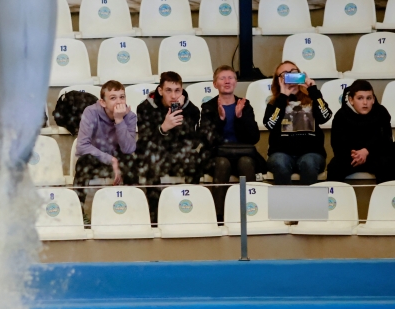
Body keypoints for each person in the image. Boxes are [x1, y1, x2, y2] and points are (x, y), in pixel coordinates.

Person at [198, 65, 265, 219]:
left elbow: (253, 138)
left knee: (246, 162)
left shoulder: (245, 105)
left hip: (242, 154)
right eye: (222, 78)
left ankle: (252, 214)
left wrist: (239, 117)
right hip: (217, 155)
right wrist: (220, 120)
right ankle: (219, 217)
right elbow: (206, 139)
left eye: (231, 78)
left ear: (236, 82)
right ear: (215, 84)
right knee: (222, 163)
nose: (227, 81)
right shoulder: (209, 107)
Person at [135, 71, 205, 217]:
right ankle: (154, 215)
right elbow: (144, 143)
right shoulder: (145, 108)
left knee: (195, 159)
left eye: (177, 90)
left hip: (178, 156)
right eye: (168, 90)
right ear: (160, 91)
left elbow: (192, 143)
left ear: (182, 91)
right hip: (155, 156)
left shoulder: (191, 110)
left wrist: (180, 112)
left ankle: (190, 207)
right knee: (151, 160)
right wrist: (163, 128)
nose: (173, 96)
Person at [263, 61, 332, 185]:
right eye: (285, 74)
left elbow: (325, 117)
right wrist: (283, 96)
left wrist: (313, 90)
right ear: (278, 81)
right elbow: (270, 124)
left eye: (293, 72)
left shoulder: (312, 98)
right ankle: (285, 199)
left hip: (312, 153)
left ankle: (306, 199)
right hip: (281, 153)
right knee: (280, 162)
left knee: (309, 163)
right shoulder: (274, 103)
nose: (290, 76)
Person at [73, 80, 137, 197]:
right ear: (103, 102)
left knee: (132, 163)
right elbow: (82, 146)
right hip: (97, 159)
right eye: (113, 98)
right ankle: (77, 207)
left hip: (120, 159)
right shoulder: (91, 112)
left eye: (122, 97)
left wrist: (119, 120)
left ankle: (131, 204)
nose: (119, 102)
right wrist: (111, 160)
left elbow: (129, 149)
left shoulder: (130, 116)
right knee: (83, 162)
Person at [327, 80, 395, 182]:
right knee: (334, 167)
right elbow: (337, 145)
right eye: (360, 98)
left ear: (373, 99)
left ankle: (385, 193)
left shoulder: (381, 113)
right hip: (350, 157)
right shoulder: (341, 116)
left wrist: (366, 151)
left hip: (375, 155)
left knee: (389, 163)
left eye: (368, 98)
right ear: (351, 100)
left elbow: (387, 141)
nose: (365, 103)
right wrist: (357, 155)